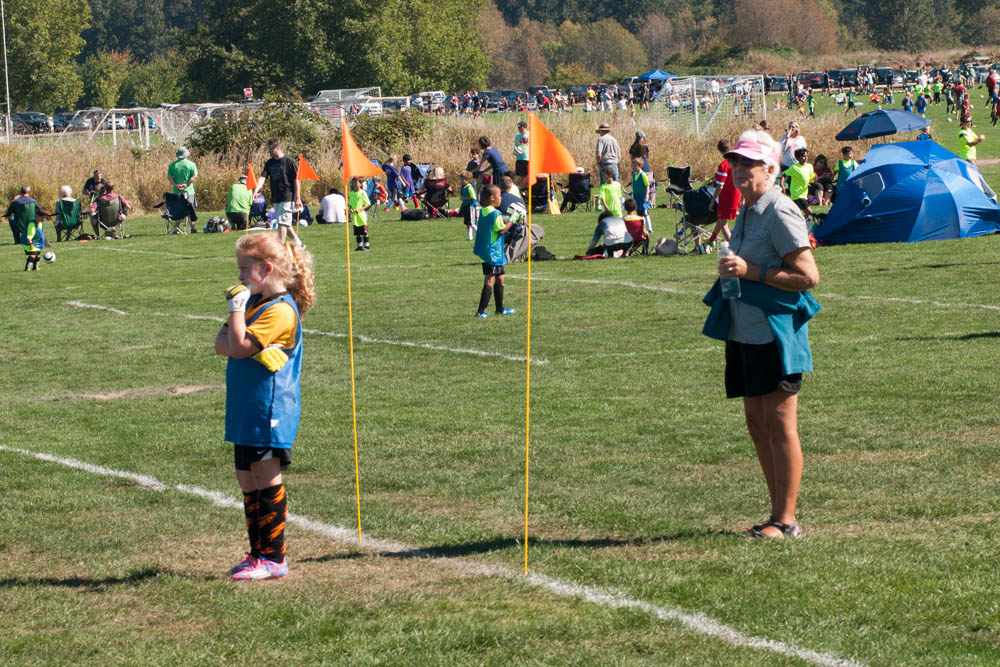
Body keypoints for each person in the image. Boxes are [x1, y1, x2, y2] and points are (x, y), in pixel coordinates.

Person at [707, 130, 821, 539]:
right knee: (757, 424)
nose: (739, 168)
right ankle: (776, 513)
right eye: (736, 161)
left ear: (771, 168)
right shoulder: (747, 210)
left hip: (774, 335)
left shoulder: (780, 211)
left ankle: (787, 520)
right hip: (745, 333)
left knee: (779, 425)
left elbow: (808, 276)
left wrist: (752, 272)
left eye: (749, 163)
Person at [214, 232, 315, 580]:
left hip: (268, 407)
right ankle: (257, 553)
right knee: (246, 478)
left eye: (245, 269)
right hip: (245, 406)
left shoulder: (280, 310)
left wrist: (235, 312)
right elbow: (220, 343)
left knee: (265, 475)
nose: (240, 276)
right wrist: (239, 324)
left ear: (266, 269)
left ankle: (274, 556)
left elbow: (239, 345)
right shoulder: (254, 304)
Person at [472, 185, 515, 318]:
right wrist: (513, 219)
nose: (501, 197)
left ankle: (500, 309)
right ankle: (480, 312)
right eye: (499, 195)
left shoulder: (484, 211)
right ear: (492, 198)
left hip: (486, 251)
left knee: (500, 278)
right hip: (493, 253)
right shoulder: (495, 213)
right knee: (490, 280)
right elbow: (501, 230)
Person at [255, 138, 303, 247]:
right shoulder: (269, 162)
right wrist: (257, 189)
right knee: (285, 223)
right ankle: (299, 243)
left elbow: (297, 180)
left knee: (282, 222)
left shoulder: (288, 161)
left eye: (271, 150)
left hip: (288, 195)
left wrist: (298, 197)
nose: (269, 152)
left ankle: (280, 248)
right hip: (276, 196)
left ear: (277, 148)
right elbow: (263, 177)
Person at [5, 185, 51, 270]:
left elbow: (8, 213)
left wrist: (13, 201)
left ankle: (17, 239)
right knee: (34, 253)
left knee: (11, 219)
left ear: (20, 192)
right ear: (28, 192)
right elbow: (40, 210)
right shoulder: (34, 201)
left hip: (20, 226)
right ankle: (30, 266)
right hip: (33, 225)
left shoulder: (15, 202)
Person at [709, 139, 742, 244]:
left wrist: (713, 200)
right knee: (722, 219)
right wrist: (743, 198)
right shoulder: (738, 162)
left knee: (723, 222)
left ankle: (733, 246)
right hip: (737, 194)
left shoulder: (723, 165)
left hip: (726, 197)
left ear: (719, 150)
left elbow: (720, 186)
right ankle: (711, 240)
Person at [167, 146, 199, 233]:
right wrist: (186, 184)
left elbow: (169, 177)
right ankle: (192, 228)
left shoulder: (173, 165)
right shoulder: (191, 164)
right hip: (189, 191)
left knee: (178, 209)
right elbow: (194, 176)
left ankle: (176, 228)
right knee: (190, 210)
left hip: (176, 192)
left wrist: (176, 185)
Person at [783, 148, 815, 222]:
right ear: (797, 158)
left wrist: (813, 180)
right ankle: (799, 224)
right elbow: (784, 174)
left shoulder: (810, 166)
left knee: (802, 214)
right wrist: (782, 185)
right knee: (809, 212)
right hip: (797, 194)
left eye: (807, 156)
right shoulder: (794, 167)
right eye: (803, 156)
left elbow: (811, 178)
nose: (806, 158)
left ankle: (797, 223)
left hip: (804, 194)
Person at [629, 156, 652, 235]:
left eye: (634, 165)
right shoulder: (634, 175)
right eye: (632, 165)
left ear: (639, 165)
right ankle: (642, 228)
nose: (633, 167)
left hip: (642, 196)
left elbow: (647, 186)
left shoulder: (643, 175)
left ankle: (649, 228)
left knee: (644, 212)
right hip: (636, 197)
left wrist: (646, 196)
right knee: (638, 212)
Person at [348, 177, 371, 251]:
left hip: (361, 216)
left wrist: (360, 209)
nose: (354, 184)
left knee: (364, 231)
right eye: (353, 182)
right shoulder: (351, 193)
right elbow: (350, 204)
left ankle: (367, 246)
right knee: (357, 232)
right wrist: (350, 209)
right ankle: (359, 246)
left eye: (356, 182)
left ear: (360, 184)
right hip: (355, 216)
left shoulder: (362, 193)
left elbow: (367, 204)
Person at [459, 171, 479, 241]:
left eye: (462, 179)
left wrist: (464, 198)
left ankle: (480, 235)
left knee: (472, 223)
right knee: (467, 223)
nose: (461, 181)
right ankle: (470, 238)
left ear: (468, 180)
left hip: (470, 206)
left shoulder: (469, 187)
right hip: (466, 206)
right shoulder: (464, 187)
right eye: (460, 179)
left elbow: (473, 197)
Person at [513, 120, 530, 186]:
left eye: (520, 127)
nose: (519, 129)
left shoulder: (530, 134)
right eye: (518, 127)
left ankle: (527, 188)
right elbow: (517, 146)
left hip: (527, 158)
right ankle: (523, 190)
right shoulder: (517, 136)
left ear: (524, 127)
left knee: (528, 175)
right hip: (519, 158)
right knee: (521, 176)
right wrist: (516, 151)